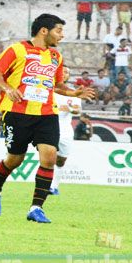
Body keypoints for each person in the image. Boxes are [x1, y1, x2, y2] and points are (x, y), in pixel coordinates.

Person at [0, 13, 95, 224]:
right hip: (17, 113)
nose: (61, 36)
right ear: (44, 31)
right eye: (59, 30)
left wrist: (74, 94)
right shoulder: (17, 49)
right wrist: (7, 88)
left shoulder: (56, 57)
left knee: (49, 157)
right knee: (14, 160)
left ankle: (36, 208)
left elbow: (57, 86)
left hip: (46, 113)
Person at [50, 66, 82, 196]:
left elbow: (77, 110)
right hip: (49, 126)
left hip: (65, 129)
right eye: (62, 72)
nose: (64, 74)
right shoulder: (49, 90)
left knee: (61, 160)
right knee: (48, 156)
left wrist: (67, 107)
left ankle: (55, 186)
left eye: (67, 72)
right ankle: (47, 186)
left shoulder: (74, 93)